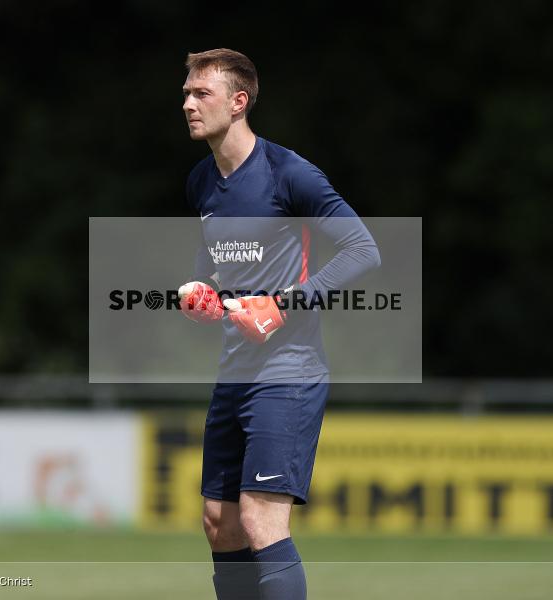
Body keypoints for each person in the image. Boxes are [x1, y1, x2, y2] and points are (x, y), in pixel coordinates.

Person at [179, 48, 380, 600]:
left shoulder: (288, 172)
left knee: (261, 521)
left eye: (202, 94)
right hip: (234, 374)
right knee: (219, 524)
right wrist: (203, 292)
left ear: (238, 102)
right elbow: (214, 265)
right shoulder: (201, 181)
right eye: (186, 94)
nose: (188, 104)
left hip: (288, 372)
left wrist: (285, 302)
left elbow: (364, 249)